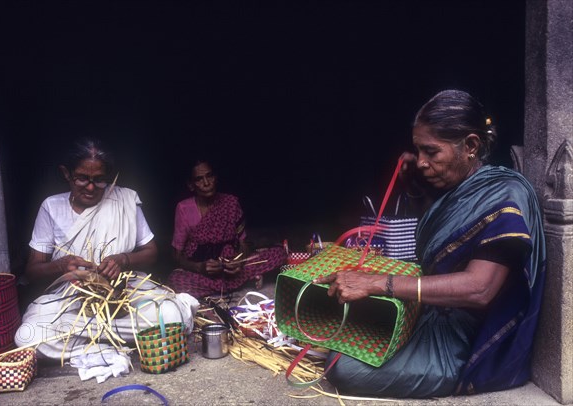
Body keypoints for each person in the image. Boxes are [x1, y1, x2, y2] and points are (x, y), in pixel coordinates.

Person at [314, 89, 546, 398]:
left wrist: (380, 283)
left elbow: (480, 289)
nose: (422, 162)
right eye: (418, 151)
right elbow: (445, 241)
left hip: (466, 342)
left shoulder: (504, 195)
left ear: (471, 146)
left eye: (431, 152)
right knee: (341, 330)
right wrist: (415, 186)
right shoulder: (461, 186)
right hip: (434, 313)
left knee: (344, 368)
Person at [15, 138, 199, 360]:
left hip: (126, 293)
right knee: (27, 336)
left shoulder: (125, 199)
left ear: (109, 177)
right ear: (66, 173)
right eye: (82, 178)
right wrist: (62, 265)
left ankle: (92, 343)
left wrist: (122, 260)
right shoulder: (51, 207)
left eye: (99, 180)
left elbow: (151, 252)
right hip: (72, 301)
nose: (91, 187)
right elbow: (32, 271)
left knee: (171, 316)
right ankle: (120, 344)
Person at [167, 158, 287, 299]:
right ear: (191, 185)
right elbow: (177, 255)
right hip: (201, 270)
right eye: (199, 179)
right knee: (175, 280)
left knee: (279, 253)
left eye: (209, 176)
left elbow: (244, 243)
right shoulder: (184, 208)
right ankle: (245, 281)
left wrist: (240, 262)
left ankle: (235, 281)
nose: (206, 183)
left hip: (232, 267)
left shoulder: (231, 203)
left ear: (215, 177)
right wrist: (199, 267)